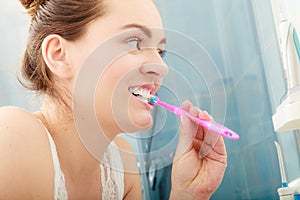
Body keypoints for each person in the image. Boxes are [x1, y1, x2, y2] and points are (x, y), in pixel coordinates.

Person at [0, 0, 227, 199]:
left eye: (160, 52)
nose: (161, 67)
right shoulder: (12, 135)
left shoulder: (123, 169)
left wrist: (186, 195)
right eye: (134, 42)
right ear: (59, 55)